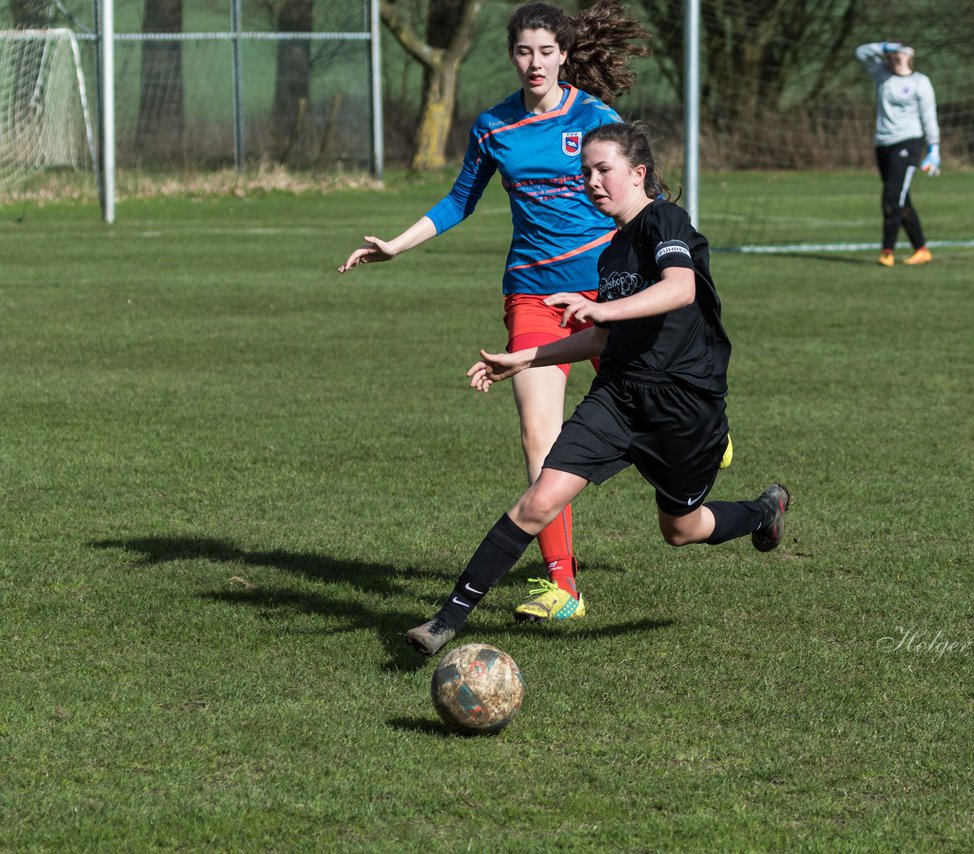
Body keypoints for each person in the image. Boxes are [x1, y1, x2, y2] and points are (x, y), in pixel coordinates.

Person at [404, 122, 792, 657]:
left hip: (684, 406)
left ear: (639, 173)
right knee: (540, 497)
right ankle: (446, 621)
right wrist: (522, 358)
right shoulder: (611, 254)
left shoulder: (666, 221)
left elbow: (678, 290)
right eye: (584, 172)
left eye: (603, 170)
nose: (591, 181)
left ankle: (760, 512)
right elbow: (604, 336)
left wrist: (602, 308)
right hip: (618, 397)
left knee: (680, 530)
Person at [338, 2, 648, 624]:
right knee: (542, 436)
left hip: (606, 290)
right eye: (523, 52)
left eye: (544, 51)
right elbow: (460, 200)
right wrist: (396, 245)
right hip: (532, 295)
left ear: (564, 54)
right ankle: (564, 586)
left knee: (657, 410)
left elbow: (642, 198)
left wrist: (666, 259)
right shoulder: (493, 125)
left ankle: (700, 437)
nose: (533, 63)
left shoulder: (595, 119)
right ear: (512, 55)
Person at [855, 41, 941, 268]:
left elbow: (929, 116)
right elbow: (861, 53)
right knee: (902, 200)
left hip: (909, 142)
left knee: (891, 198)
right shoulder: (882, 75)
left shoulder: (920, 82)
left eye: (901, 54)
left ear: (910, 57)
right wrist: (884, 46)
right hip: (883, 143)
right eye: (892, 55)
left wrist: (934, 149)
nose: (896, 58)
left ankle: (887, 252)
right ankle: (921, 249)